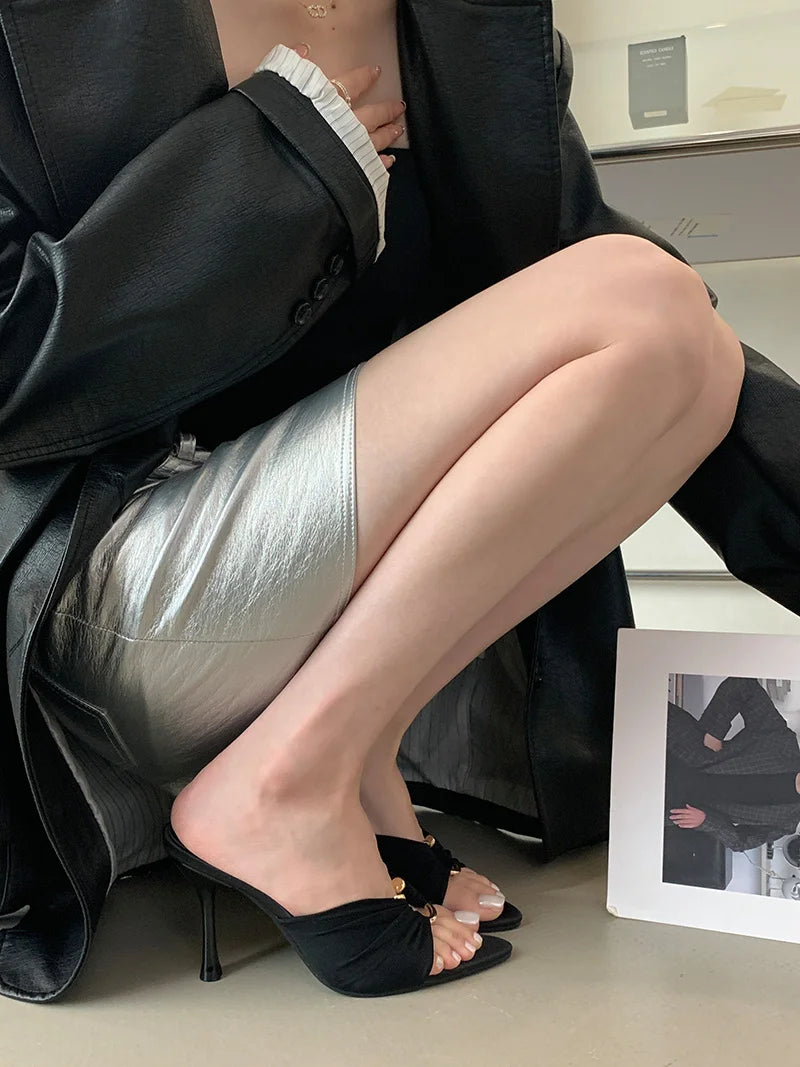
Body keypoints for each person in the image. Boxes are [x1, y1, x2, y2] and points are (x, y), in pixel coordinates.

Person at [0, 0, 758, 1002]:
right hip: (103, 581)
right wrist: (270, 168)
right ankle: (286, 779)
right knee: (641, 296)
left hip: (292, 579)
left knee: (699, 360)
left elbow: (605, 291)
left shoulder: (466, 30)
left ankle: (344, 751)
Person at [666, 678, 800, 851]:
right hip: (673, 744)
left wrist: (705, 821)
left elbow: (741, 841)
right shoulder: (782, 743)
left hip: (673, 804)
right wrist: (714, 732)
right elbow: (743, 686)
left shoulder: (787, 821)